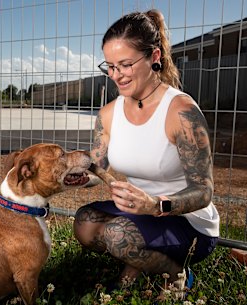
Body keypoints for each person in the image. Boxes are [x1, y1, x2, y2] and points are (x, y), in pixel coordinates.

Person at [73, 9, 220, 296]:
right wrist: (70, 173)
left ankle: (177, 274)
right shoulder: (107, 114)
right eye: (110, 66)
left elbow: (204, 191)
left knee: (117, 235)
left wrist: (156, 205)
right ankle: (140, 262)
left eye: (125, 65)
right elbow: (97, 166)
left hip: (187, 221)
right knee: (84, 223)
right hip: (139, 212)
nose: (116, 76)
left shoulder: (181, 110)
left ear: (154, 57)